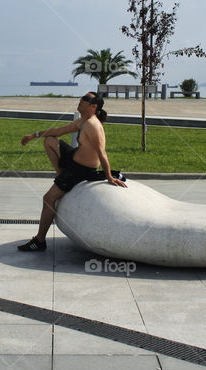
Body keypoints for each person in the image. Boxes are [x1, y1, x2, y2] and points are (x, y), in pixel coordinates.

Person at [17, 92, 127, 251]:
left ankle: (40, 241)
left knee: (48, 198)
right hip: (73, 159)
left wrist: (109, 176)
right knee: (50, 141)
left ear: (93, 106)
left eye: (85, 99)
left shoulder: (92, 126)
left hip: (80, 170)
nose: (81, 100)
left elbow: (101, 153)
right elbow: (59, 131)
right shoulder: (83, 121)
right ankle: (60, 173)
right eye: (82, 97)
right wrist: (34, 135)